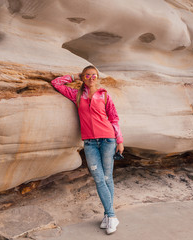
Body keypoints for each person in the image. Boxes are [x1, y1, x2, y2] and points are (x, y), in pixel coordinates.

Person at [51, 65, 124, 235]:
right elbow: (56, 83)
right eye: (87, 75)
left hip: (108, 139)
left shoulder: (104, 94)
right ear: (83, 77)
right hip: (90, 143)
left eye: (94, 75)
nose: (91, 78)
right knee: (99, 178)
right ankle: (110, 215)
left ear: (97, 77)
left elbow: (113, 118)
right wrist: (75, 77)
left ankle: (110, 216)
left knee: (107, 177)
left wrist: (119, 140)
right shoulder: (76, 95)